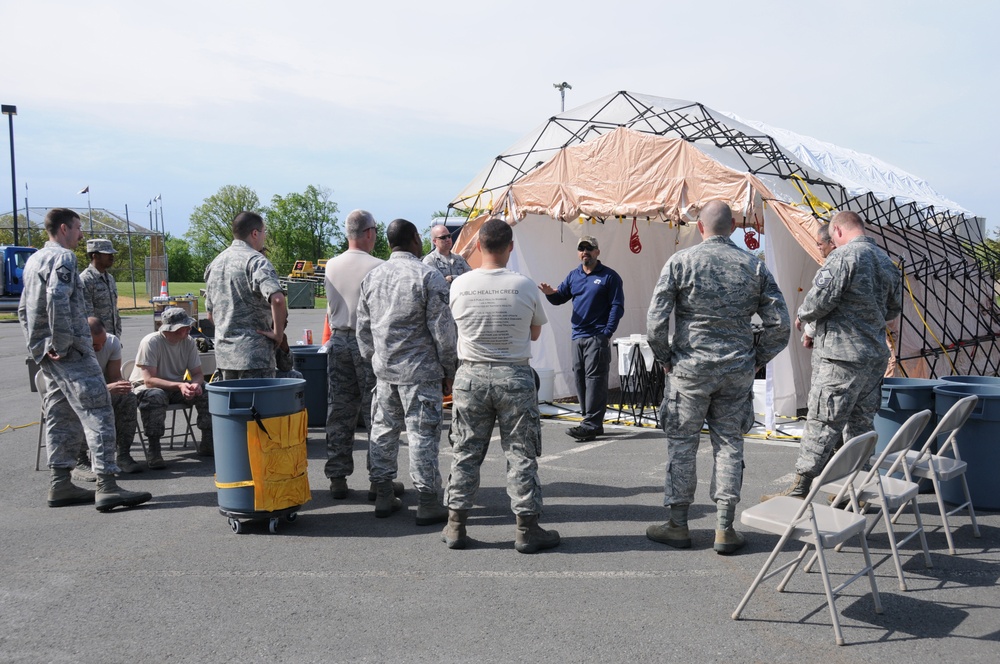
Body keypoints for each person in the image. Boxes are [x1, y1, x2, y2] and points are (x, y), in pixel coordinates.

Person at [645, 200, 790, 554]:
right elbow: (781, 325)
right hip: (735, 371)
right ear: (734, 227)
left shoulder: (681, 262)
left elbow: (655, 324)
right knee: (729, 445)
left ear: (701, 227)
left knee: (682, 445)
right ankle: (724, 527)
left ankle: (678, 524)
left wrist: (666, 358)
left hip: (690, 370)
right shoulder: (753, 266)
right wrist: (755, 359)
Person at [18, 208, 151, 511]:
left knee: (60, 413)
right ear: (64, 228)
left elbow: (24, 308)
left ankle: (60, 483)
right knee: (100, 410)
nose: (81, 236)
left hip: (46, 351)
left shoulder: (33, 260)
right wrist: (64, 344)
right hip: (70, 349)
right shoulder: (62, 258)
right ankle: (107, 485)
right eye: (78, 228)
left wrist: (38, 345)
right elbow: (56, 298)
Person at [763, 210, 902, 501]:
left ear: (836, 231)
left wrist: (803, 316)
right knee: (861, 425)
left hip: (841, 357)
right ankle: (856, 491)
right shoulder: (887, 263)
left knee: (822, 420)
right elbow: (892, 312)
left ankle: (800, 488)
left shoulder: (843, 257)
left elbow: (818, 301)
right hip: (873, 357)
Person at [443, 218, 559, 553]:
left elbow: (457, 328)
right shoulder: (524, 285)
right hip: (514, 376)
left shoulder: (459, 285)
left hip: (471, 376)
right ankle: (526, 529)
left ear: (478, 246)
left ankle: (455, 525)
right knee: (521, 453)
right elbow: (535, 333)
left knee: (465, 451)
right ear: (510, 247)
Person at [357, 218, 458, 525]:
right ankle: (427, 500)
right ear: (415, 239)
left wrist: (375, 360)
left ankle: (384, 493)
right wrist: (448, 368)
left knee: (384, 432)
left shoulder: (372, 277)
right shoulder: (429, 276)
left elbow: (363, 329)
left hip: (386, 372)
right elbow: (443, 331)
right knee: (422, 436)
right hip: (420, 372)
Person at [323, 210, 401, 501]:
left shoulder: (331, 265)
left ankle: (338, 477)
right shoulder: (379, 267)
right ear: (369, 232)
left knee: (340, 411)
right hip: (368, 343)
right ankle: (378, 479)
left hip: (339, 340)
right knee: (376, 413)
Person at [539, 235, 625, 442]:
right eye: (581, 248)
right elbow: (560, 299)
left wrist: (607, 332)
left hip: (597, 335)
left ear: (597, 252)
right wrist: (550, 293)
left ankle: (590, 424)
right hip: (577, 336)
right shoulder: (574, 275)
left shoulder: (609, 277)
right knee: (580, 378)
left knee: (595, 380)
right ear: (578, 253)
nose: (585, 252)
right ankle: (591, 422)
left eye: (589, 248)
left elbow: (617, 306)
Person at [204, 211, 287, 379]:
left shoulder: (215, 264)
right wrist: (278, 334)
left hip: (225, 358)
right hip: (254, 357)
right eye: (264, 232)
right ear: (255, 233)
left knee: (232, 404)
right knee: (259, 405)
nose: (265, 236)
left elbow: (210, 315)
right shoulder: (256, 261)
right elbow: (277, 299)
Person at [130, 307, 213, 466]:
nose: (189, 329)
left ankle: (207, 441)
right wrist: (181, 385)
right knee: (156, 396)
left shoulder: (188, 342)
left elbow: (197, 373)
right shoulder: (151, 342)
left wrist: (194, 385)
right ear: (171, 329)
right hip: (146, 389)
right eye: (184, 327)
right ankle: (154, 449)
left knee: (207, 390)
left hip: (176, 386)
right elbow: (149, 380)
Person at [85, 317, 143, 474]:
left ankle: (123, 455)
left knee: (128, 398)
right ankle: (80, 460)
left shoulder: (111, 342)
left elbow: (114, 376)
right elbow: (78, 387)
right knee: (76, 404)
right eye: (95, 345)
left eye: (102, 342)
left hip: (102, 390)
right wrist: (108, 388)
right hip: (77, 395)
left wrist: (121, 385)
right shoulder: (75, 346)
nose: (100, 347)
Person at [79, 238, 122, 337]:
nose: (112, 257)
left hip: (112, 338)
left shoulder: (110, 279)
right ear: (95, 256)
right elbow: (87, 316)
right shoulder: (85, 280)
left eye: (112, 254)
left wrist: (117, 333)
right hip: (96, 341)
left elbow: (115, 310)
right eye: (107, 254)